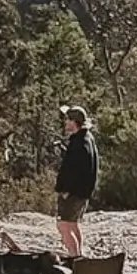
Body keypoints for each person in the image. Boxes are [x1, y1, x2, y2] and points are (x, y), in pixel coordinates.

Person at [54, 104, 99, 260]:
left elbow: (76, 171)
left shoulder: (80, 143)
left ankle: (74, 259)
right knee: (73, 225)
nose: (65, 122)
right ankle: (79, 256)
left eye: (67, 119)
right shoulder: (87, 139)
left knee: (63, 226)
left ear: (74, 122)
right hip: (82, 193)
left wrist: (66, 190)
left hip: (74, 193)